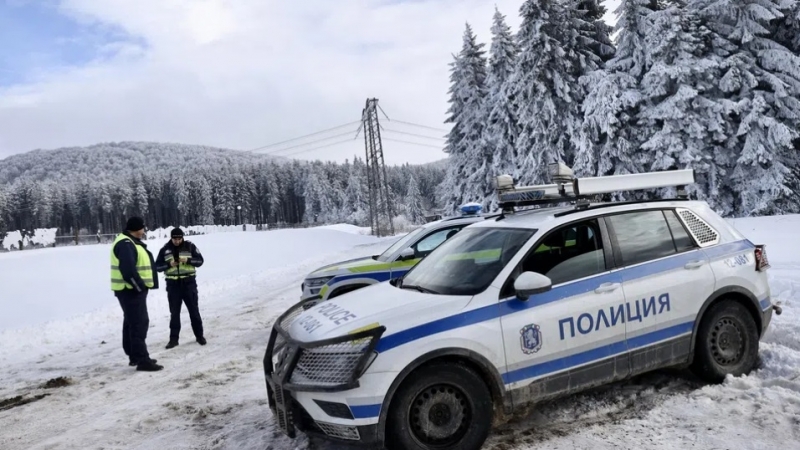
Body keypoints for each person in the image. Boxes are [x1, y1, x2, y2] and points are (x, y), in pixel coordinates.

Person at [111, 217, 163, 372]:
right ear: (136, 228)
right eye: (142, 228)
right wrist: (139, 287)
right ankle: (142, 360)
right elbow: (128, 271)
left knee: (131, 323)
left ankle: (134, 356)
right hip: (130, 290)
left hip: (129, 290)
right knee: (139, 324)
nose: (144, 231)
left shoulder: (128, 242)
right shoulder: (126, 244)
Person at [155, 227, 206, 349]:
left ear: (182, 237)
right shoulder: (165, 249)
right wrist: (169, 264)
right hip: (173, 286)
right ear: (171, 238)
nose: (177, 241)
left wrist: (188, 260)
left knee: (194, 311)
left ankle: (199, 336)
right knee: (174, 313)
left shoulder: (190, 247)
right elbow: (157, 267)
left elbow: (200, 261)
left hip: (189, 283)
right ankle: (173, 339)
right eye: (175, 238)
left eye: (179, 238)